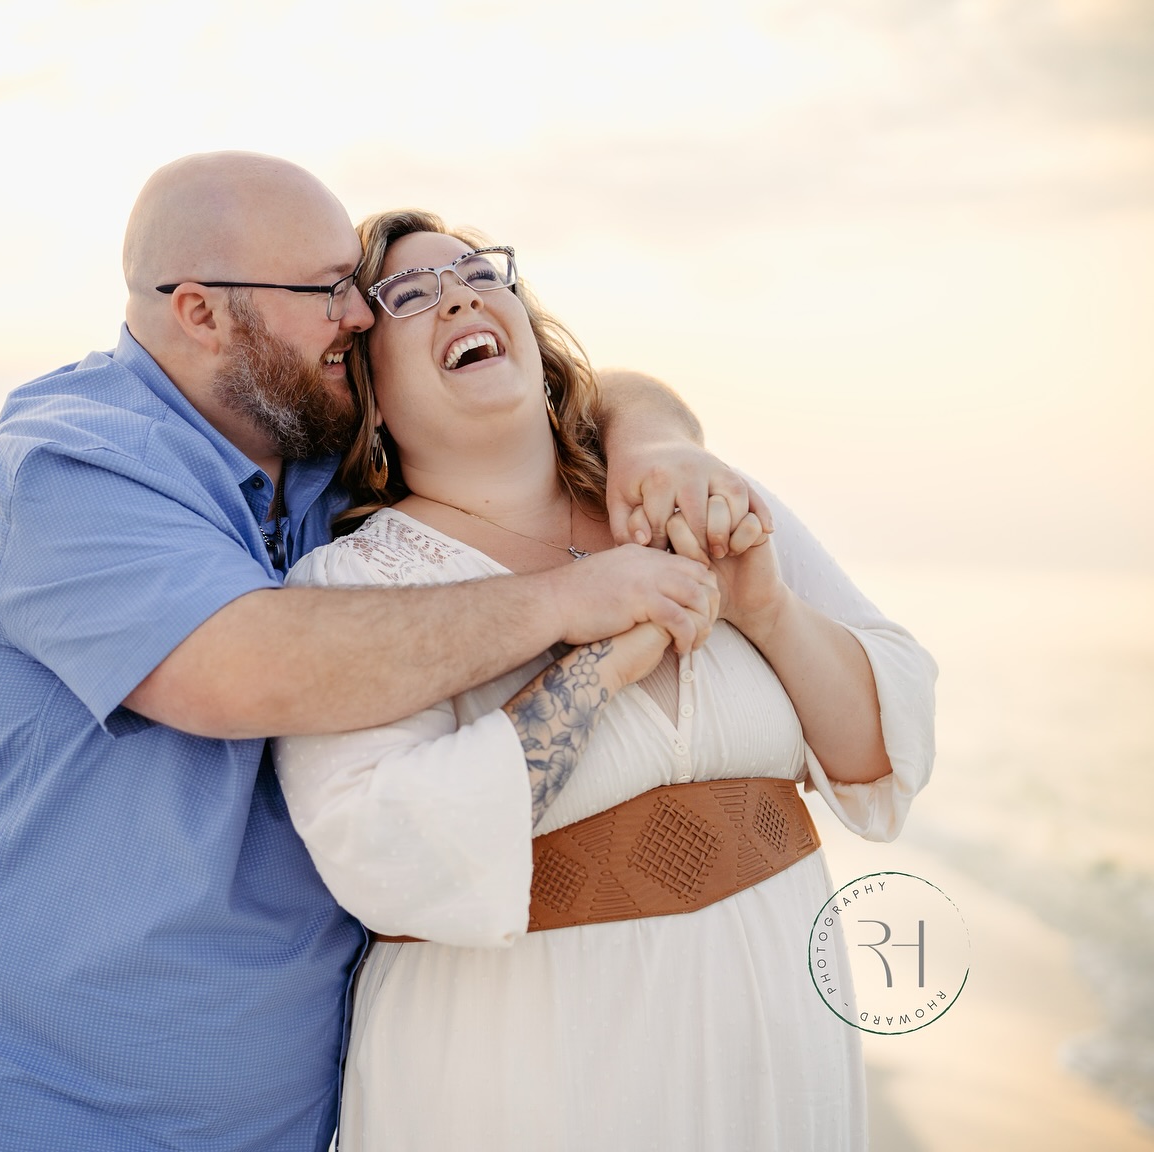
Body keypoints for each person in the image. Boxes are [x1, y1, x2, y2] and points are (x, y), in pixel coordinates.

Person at [0, 153, 761, 1152]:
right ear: (202, 313)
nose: (362, 315)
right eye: (329, 290)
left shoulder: (307, 450)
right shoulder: (62, 470)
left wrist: (655, 440)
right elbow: (250, 666)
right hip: (37, 1112)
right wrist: (568, 598)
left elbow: (576, 389)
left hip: (278, 1124)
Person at [273, 211, 939, 1151]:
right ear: (368, 394)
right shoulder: (357, 587)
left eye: (477, 272)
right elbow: (383, 850)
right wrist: (608, 657)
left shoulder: (689, 493)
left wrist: (768, 611)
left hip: (780, 1045)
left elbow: (879, 751)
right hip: (528, 1072)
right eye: (409, 295)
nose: (459, 293)